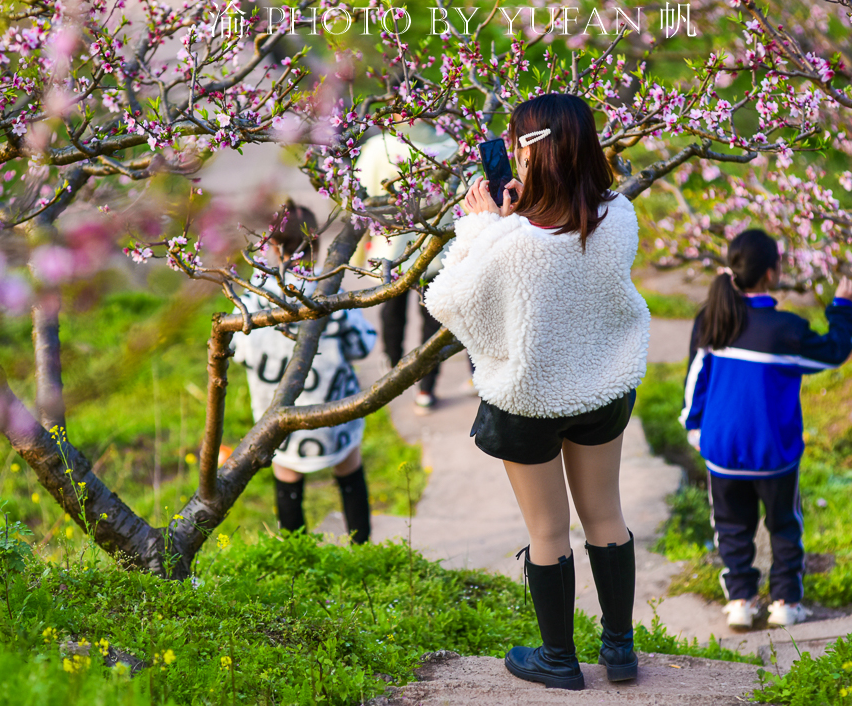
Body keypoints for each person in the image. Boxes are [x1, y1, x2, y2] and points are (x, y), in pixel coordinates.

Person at [426, 94, 651, 691]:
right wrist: (519, 217)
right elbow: (569, 253)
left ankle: (559, 660)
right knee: (606, 516)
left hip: (530, 401)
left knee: (549, 533)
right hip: (602, 389)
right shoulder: (617, 215)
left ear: (531, 152)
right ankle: (620, 651)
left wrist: (480, 225)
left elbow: (448, 300)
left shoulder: (513, 240)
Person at [679, 229, 852, 629]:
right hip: (772, 451)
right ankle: (785, 602)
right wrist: (843, 306)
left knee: (730, 527)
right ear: (772, 273)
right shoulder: (785, 330)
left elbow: (695, 378)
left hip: (722, 449)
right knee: (783, 525)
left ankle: (740, 600)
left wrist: (694, 426)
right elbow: (833, 352)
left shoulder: (712, 318)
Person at [230, 201, 378, 544]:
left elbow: (240, 352)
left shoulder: (255, 298)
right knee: (349, 470)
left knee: (287, 477)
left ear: (271, 246)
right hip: (334, 414)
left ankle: (296, 550)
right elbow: (362, 344)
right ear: (317, 247)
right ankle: (362, 545)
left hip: (282, 419)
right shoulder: (328, 294)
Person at [354, 123, 459, 414]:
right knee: (432, 320)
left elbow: (358, 196)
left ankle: (393, 365)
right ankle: (426, 387)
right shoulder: (450, 146)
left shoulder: (378, 148)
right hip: (438, 248)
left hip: (392, 249)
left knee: (392, 311)